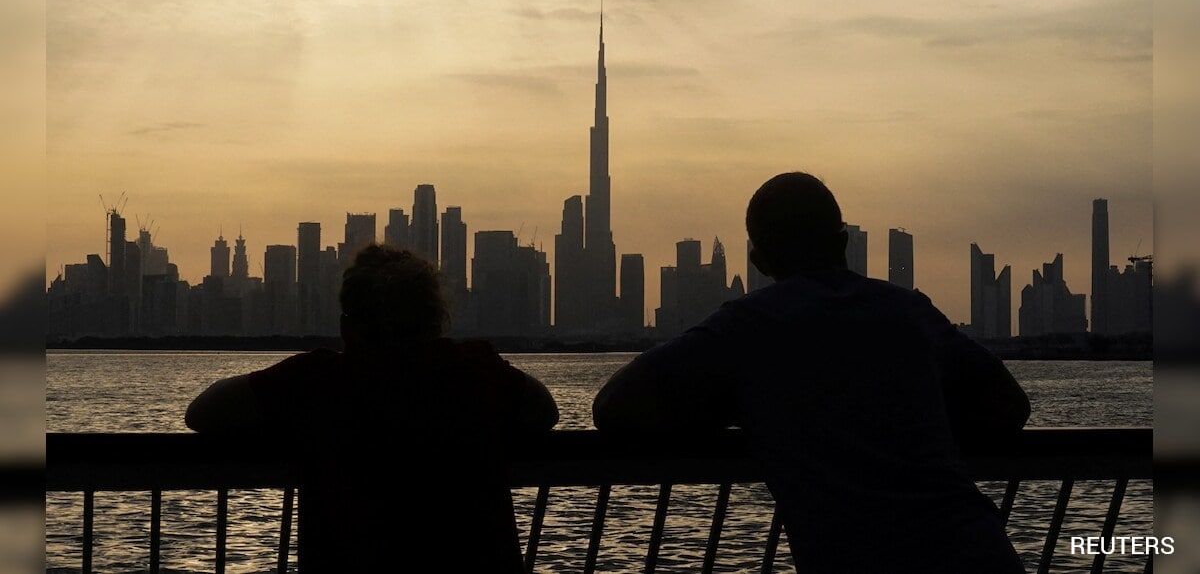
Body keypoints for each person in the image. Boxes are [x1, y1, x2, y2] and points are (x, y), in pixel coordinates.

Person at [593, 172, 1030, 574]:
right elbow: (1009, 407)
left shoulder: (746, 328)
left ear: (758, 260)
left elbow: (613, 408)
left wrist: (743, 406)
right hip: (981, 552)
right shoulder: (909, 311)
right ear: (843, 243)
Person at [186, 244, 558, 573]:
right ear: (435, 319)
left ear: (349, 325)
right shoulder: (476, 368)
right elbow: (545, 412)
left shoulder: (317, 379)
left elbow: (202, 413)